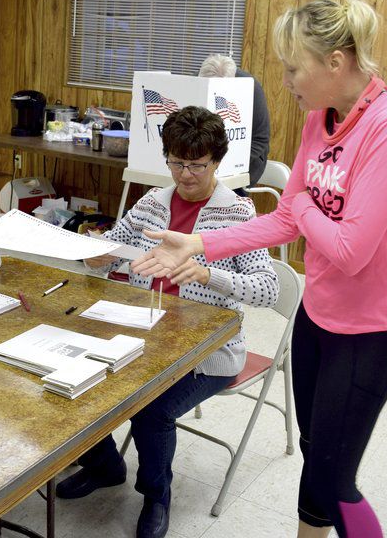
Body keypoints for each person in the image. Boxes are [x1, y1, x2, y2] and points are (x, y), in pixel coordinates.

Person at [132, 0, 387, 538]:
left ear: (334, 63)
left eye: (293, 67)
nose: (284, 80)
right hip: (320, 314)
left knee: (336, 478)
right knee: (316, 458)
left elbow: (348, 248)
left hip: (373, 328)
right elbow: (282, 221)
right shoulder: (320, 119)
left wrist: (306, 207)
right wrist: (198, 242)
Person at [55, 106, 279, 538]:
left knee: (152, 411)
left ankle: (157, 495)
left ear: (218, 161)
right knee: (78, 377)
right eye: (176, 163)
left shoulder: (237, 215)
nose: (186, 175)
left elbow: (268, 291)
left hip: (209, 350)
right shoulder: (153, 203)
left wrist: (207, 272)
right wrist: (96, 255)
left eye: (197, 165)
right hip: (144, 332)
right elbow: (113, 250)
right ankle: (105, 465)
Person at [198, 54, 270, 189]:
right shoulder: (198, 81)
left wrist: (227, 162)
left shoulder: (251, 88)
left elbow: (260, 140)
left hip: (248, 159)